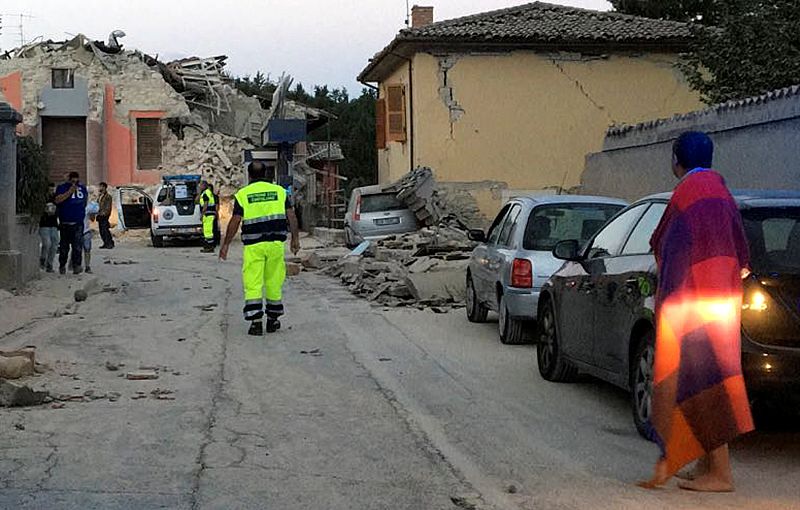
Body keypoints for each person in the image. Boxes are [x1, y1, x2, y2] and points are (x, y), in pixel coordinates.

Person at [640, 131, 753, 492]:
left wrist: (667, 300)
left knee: (701, 381)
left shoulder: (687, 194)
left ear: (677, 159)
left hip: (695, 299)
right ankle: (706, 465)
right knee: (712, 376)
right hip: (724, 298)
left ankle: (720, 474)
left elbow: (670, 247)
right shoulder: (722, 192)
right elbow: (740, 249)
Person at [219, 162, 300, 336]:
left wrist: (226, 243)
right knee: (274, 281)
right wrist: (295, 238)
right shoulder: (280, 192)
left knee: (253, 282)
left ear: (250, 175)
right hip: (275, 245)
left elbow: (235, 220)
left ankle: (256, 322)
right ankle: (273, 320)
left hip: (253, 246)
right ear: (267, 174)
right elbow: (291, 215)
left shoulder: (243, 194)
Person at [54, 171, 88, 275]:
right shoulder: (62, 188)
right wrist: (69, 192)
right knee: (64, 247)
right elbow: (57, 200)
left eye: (76, 179)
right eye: (72, 179)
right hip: (65, 223)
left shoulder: (82, 188)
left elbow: (85, 201)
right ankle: (62, 265)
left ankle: (76, 266)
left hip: (78, 223)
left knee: (77, 246)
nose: (74, 181)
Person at [39, 183, 59, 273]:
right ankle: (43, 259)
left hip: (54, 224)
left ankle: (49, 264)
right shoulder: (41, 198)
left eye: (52, 190)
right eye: (50, 190)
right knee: (47, 243)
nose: (51, 192)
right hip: (44, 224)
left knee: (55, 244)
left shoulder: (56, 198)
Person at [198, 180, 217, 253]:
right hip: (210, 213)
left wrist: (202, 214)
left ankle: (209, 247)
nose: (200, 187)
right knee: (207, 231)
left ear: (204, 186)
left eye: (201, 185)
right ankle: (208, 246)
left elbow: (205, 204)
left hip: (207, 214)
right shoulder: (208, 192)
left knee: (208, 231)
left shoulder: (205, 193)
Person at [97, 182, 115, 249]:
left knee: (105, 230)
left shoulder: (108, 196)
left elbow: (108, 206)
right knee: (101, 230)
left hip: (104, 215)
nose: (100, 188)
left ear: (104, 187)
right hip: (99, 215)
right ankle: (105, 243)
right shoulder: (100, 196)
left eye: (101, 186)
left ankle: (110, 243)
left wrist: (105, 213)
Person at [83, 201, 100, 274]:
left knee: (87, 249)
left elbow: (92, 219)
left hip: (85, 231)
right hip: (78, 230)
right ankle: (75, 264)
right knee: (78, 249)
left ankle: (87, 266)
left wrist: (92, 214)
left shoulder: (88, 208)